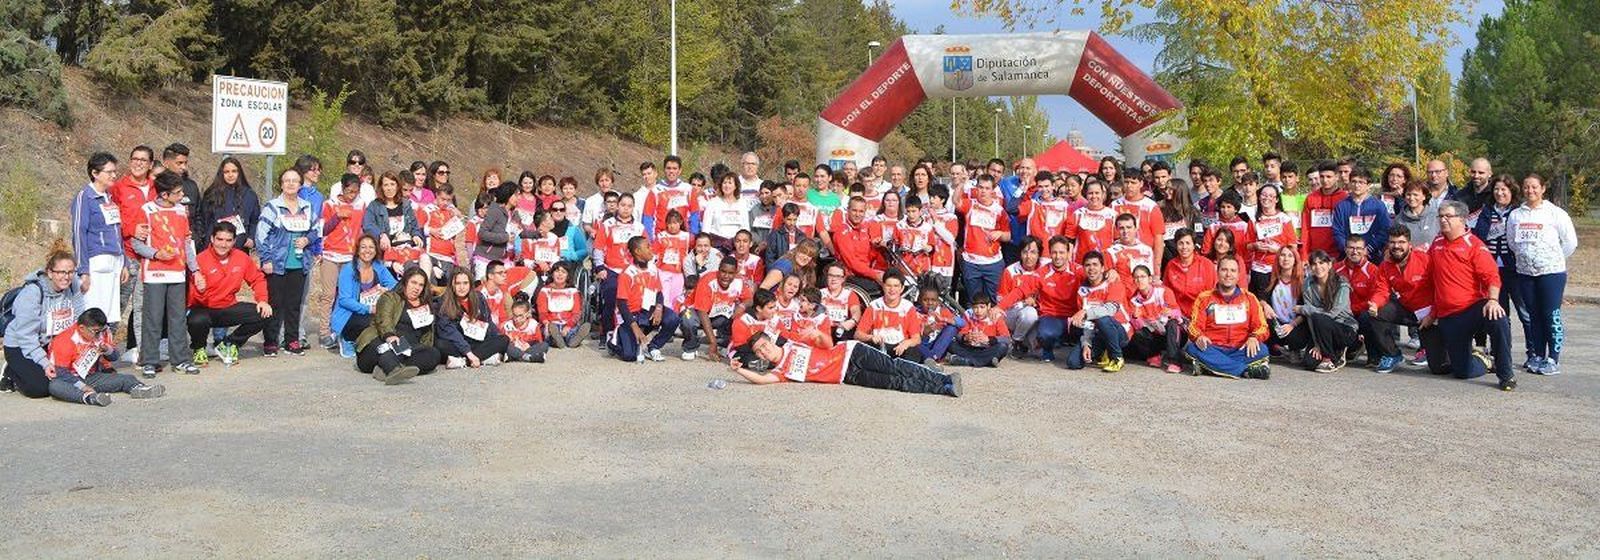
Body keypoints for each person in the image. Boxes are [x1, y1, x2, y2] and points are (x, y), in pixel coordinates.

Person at [1425, 201, 1516, 391]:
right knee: (1462, 371)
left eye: (1448, 216)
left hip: (1472, 308)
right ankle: (1482, 360)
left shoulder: (1474, 245)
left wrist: (1493, 300)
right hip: (1448, 314)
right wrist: (1432, 313)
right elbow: (1432, 280)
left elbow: (1492, 277)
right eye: (1440, 216)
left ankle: (1506, 374)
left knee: (1498, 318)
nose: (1443, 220)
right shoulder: (1436, 243)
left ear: (1462, 219)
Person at [727, 332, 962, 397]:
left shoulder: (793, 343)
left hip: (851, 353)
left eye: (764, 346)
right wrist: (740, 370)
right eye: (759, 352)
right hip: (847, 376)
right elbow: (762, 380)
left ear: (770, 341)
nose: (764, 351)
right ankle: (944, 389)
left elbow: (828, 343)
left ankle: (942, 378)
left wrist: (818, 334)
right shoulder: (781, 371)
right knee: (894, 383)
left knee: (895, 366)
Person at [1506, 174, 1578, 375]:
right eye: (1526, 187)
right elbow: (1512, 241)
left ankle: (1553, 358)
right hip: (1525, 273)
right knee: (1533, 315)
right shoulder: (1516, 215)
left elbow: (1570, 242)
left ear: (1543, 188)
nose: (1530, 191)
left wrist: (1552, 259)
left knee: (1550, 314)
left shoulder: (1555, 213)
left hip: (1551, 273)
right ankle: (1537, 355)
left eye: (1534, 187)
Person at [129, 171, 199, 377]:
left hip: (178, 273)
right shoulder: (147, 210)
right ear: (164, 194)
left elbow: (187, 243)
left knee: (178, 319)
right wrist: (156, 254)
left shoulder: (181, 211)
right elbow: (136, 244)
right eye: (177, 193)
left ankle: (181, 359)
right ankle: (150, 360)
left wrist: (195, 269)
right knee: (153, 318)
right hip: (155, 273)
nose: (182, 195)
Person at [3, 244, 85, 398]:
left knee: (75, 376)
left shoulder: (73, 285)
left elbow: (79, 319)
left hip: (51, 343)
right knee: (39, 388)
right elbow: (26, 335)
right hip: (21, 344)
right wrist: (45, 363)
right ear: (50, 273)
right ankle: (11, 371)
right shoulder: (33, 293)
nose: (66, 277)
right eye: (61, 272)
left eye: (70, 272)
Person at [187, 222, 273, 366]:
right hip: (204, 307)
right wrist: (200, 291)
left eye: (228, 240)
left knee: (265, 313)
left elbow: (257, 279)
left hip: (228, 307)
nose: (223, 244)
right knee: (197, 320)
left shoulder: (241, 257)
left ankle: (229, 344)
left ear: (234, 241)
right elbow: (190, 298)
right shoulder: (200, 260)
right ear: (212, 239)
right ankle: (199, 348)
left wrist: (262, 300)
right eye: (219, 239)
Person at [257, 168, 321, 357]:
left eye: (295, 180)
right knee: (275, 304)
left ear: (300, 184)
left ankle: (292, 340)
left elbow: (316, 230)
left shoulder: (307, 207)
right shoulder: (272, 207)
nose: (291, 184)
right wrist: (266, 259)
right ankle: (271, 341)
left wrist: (307, 240)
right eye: (287, 180)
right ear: (281, 184)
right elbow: (261, 235)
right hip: (276, 263)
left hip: (300, 263)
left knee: (294, 304)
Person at [45, 308, 165, 406]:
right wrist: (82, 387)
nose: (99, 334)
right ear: (81, 328)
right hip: (70, 379)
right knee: (55, 386)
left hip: (92, 376)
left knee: (127, 378)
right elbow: (61, 372)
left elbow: (115, 357)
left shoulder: (102, 333)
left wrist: (107, 350)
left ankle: (139, 389)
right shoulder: (64, 340)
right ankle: (90, 398)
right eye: (96, 331)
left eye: (101, 330)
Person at [1369, 226, 1446, 374]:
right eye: (1392, 242)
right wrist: (1375, 303)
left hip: (1431, 314)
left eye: (1401, 242)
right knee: (1377, 312)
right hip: (1408, 310)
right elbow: (1381, 290)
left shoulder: (1425, 260)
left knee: (1439, 368)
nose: (1396, 246)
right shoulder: (1385, 266)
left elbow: (1441, 288)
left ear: (1409, 244)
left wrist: (1433, 315)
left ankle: (1430, 349)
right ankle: (1392, 354)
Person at [1184, 256, 1271, 379]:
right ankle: (1245, 371)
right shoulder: (1204, 298)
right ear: (1217, 272)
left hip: (1240, 349)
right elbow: (1194, 326)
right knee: (1193, 348)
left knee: (1262, 350)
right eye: (1224, 270)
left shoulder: (1250, 298)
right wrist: (1199, 336)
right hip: (1213, 348)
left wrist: (1254, 337)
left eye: (1233, 270)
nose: (1228, 274)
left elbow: (1262, 326)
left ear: (1239, 275)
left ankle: (1211, 366)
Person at [70, 152, 126, 335]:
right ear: (95, 173)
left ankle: (103, 348)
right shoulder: (84, 197)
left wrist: (123, 261)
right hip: (96, 261)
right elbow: (79, 233)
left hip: (114, 261)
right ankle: (87, 349)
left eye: (115, 171)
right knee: (92, 313)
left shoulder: (109, 198)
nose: (113, 175)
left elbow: (117, 231)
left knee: (108, 313)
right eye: (109, 172)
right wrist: (83, 270)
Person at [354, 268, 441, 384]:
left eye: (421, 285)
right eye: (413, 282)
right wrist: (389, 336)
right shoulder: (390, 297)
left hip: (408, 349)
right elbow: (384, 320)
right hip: (381, 342)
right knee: (387, 349)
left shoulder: (426, 305)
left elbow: (426, 335)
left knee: (433, 354)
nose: (417, 288)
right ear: (405, 282)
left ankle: (385, 368)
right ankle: (391, 367)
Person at [1007, 236, 1083, 363]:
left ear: (1068, 253)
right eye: (1054, 252)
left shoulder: (1079, 270)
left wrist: (1110, 273)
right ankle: (1047, 350)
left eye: (1061, 252)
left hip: (1075, 317)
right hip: (1051, 317)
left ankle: (1090, 349)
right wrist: (998, 307)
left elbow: (1097, 279)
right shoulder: (1041, 273)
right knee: (1046, 334)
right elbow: (1019, 291)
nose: (1058, 256)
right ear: (1050, 253)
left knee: (1093, 329)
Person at [1282, 250, 1361, 373]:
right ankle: (1331, 350)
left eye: (1321, 263)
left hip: (1343, 327)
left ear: (1329, 265)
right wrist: (1317, 344)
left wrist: (1304, 309)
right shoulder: (1308, 283)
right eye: (1314, 264)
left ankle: (1329, 359)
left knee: (1319, 318)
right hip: (1320, 331)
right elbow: (1310, 317)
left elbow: (1332, 313)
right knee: (1309, 363)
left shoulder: (1342, 283)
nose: (1318, 267)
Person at [611, 235, 682, 362]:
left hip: (648, 311)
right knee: (630, 356)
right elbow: (622, 304)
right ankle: (613, 341)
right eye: (648, 247)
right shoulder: (627, 274)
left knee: (673, 318)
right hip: (631, 317)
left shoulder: (653, 268)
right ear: (638, 251)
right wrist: (635, 328)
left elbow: (659, 292)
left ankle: (653, 346)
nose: (651, 249)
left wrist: (659, 308)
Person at [331, 235, 396, 358]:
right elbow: (345, 300)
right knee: (371, 321)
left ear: (376, 250)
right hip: (350, 313)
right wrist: (369, 309)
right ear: (357, 250)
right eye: (363, 247)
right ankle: (346, 338)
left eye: (371, 247)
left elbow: (395, 285)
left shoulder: (378, 266)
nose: (367, 251)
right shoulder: (348, 269)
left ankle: (368, 341)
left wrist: (386, 289)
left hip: (373, 310)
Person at [434, 269, 509, 369]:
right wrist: (469, 353)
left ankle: (463, 361)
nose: (462, 287)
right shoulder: (444, 301)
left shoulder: (479, 297)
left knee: (503, 339)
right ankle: (482, 358)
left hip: (477, 341)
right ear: (452, 285)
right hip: (457, 343)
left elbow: (488, 324)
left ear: (470, 284)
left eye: (465, 283)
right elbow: (449, 331)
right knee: (440, 344)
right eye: (458, 283)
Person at [956, 175, 1009, 301]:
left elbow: (1008, 236)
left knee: (994, 300)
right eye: (980, 187)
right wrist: (961, 184)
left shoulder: (1000, 211)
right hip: (971, 262)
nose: (983, 191)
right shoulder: (970, 204)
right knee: (974, 301)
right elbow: (956, 202)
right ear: (976, 189)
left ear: (992, 191)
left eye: (987, 188)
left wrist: (1000, 234)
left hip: (993, 263)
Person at [1125, 265, 1186, 374]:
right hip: (1155, 334)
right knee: (1138, 333)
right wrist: (1135, 318)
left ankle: (1175, 361)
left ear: (1149, 279)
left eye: (1143, 277)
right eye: (1136, 277)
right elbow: (1138, 327)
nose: (1139, 280)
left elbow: (1178, 314)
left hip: (1173, 334)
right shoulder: (1133, 300)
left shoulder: (1163, 291)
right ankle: (1154, 355)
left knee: (1173, 323)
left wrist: (1171, 313)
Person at [363, 171, 424, 276]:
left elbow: (414, 226)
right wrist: (381, 234)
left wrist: (416, 235)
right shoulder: (374, 206)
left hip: (406, 248)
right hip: (387, 251)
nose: (389, 188)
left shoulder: (406, 205)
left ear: (397, 186)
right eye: (386, 185)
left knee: (425, 261)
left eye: (392, 184)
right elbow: (367, 225)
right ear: (381, 187)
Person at [856, 272, 925, 362]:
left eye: (896, 286)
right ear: (883, 286)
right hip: (879, 346)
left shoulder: (908, 307)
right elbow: (858, 334)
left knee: (913, 352)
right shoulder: (874, 306)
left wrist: (907, 343)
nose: (892, 289)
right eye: (889, 286)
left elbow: (916, 339)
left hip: (899, 348)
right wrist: (870, 337)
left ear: (902, 288)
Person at [198, 157, 261, 252]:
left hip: (241, 246)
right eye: (226, 172)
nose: (230, 175)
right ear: (221, 173)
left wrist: (251, 237)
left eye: (234, 171)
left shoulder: (249, 195)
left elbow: (255, 220)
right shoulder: (211, 194)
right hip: (215, 247)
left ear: (239, 173)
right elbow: (204, 220)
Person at [1246, 185, 1298, 301]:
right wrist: (1255, 246)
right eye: (1264, 195)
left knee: (1280, 303)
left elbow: (1293, 246)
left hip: (1280, 268)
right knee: (1262, 303)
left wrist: (1278, 250)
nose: (1266, 198)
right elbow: (1247, 245)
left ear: (1276, 199)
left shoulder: (1284, 219)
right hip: (1259, 269)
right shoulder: (1254, 219)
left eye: (1271, 196)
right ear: (1259, 197)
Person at [999, 237, 1046, 354]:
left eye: (1033, 252)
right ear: (1020, 253)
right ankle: (1016, 341)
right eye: (1025, 252)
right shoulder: (1010, 271)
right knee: (1030, 313)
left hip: (1039, 315)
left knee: (1040, 353)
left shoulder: (1045, 270)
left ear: (1039, 254)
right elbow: (1001, 300)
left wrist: (1036, 303)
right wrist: (1023, 303)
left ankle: (1026, 338)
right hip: (1013, 314)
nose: (1028, 256)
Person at [1332, 169, 1389, 261]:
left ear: (1368, 185)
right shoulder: (1341, 206)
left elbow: (1384, 230)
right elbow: (1337, 231)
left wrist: (1369, 249)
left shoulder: (1378, 206)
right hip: (1347, 256)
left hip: (1372, 256)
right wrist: (1348, 249)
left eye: (1361, 182)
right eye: (1353, 181)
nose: (1356, 185)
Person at [946, 293, 1010, 367]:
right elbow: (959, 335)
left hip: (987, 348)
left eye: (982, 307)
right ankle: (986, 361)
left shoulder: (996, 317)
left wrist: (989, 339)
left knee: (1002, 347)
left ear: (988, 306)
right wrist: (966, 337)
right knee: (950, 344)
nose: (978, 311)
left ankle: (968, 361)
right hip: (969, 347)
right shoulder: (968, 315)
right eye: (975, 308)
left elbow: (1007, 339)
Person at [1163, 229, 1216, 315]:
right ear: (1176, 245)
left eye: (1188, 243)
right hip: (1178, 315)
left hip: (1202, 313)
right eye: (1181, 243)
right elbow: (1166, 292)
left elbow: (1213, 291)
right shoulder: (1171, 265)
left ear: (1194, 245)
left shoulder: (1206, 264)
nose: (1184, 247)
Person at [1302, 162, 1349, 259]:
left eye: (1329, 177)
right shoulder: (1311, 198)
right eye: (1322, 176)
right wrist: (1304, 254)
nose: (1325, 180)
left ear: (1336, 177)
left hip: (1338, 253)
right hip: (1315, 253)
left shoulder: (1344, 198)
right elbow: (1305, 227)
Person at [537, 262, 589, 349]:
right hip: (551, 323)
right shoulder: (544, 290)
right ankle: (555, 340)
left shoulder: (573, 291)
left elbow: (576, 312)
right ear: (552, 274)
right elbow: (542, 312)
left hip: (568, 322)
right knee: (548, 331)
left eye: (563, 272)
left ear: (568, 276)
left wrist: (569, 326)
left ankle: (573, 340)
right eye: (557, 271)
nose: (560, 274)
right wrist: (546, 323)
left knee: (571, 331)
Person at [915, 285, 960, 363]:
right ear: (919, 301)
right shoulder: (915, 313)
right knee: (912, 341)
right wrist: (923, 333)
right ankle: (932, 358)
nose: (930, 303)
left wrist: (943, 319)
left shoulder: (942, 311)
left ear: (938, 302)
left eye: (933, 300)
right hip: (923, 345)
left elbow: (962, 323)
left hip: (938, 346)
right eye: (925, 300)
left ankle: (932, 358)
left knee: (952, 328)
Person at [500, 296, 548, 363]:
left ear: (527, 314)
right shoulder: (508, 325)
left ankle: (516, 357)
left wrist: (528, 345)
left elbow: (539, 341)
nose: (517, 319)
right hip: (514, 348)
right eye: (515, 315)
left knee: (544, 345)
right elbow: (503, 341)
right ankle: (529, 357)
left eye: (520, 315)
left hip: (528, 348)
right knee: (506, 347)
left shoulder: (533, 324)